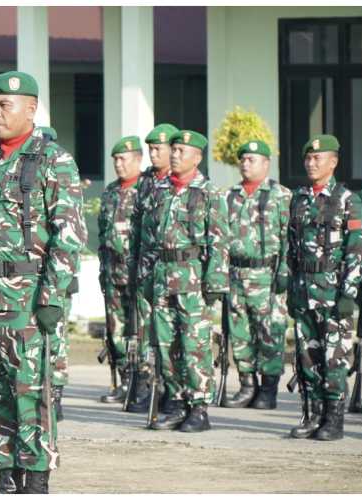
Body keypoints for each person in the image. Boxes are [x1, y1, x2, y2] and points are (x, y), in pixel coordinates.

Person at [0, 70, 88, 493]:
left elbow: (69, 235)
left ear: (31, 108)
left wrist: (51, 297)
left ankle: (35, 475)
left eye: (4, 105)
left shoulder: (53, 160)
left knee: (31, 391)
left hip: (28, 299)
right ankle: (4, 472)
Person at [144, 130, 229, 433]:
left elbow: (219, 242)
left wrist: (215, 283)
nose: (175, 154)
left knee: (195, 345)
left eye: (182, 150)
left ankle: (199, 407)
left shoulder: (209, 193)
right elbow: (148, 238)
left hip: (193, 279)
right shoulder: (160, 191)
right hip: (162, 277)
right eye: (174, 149)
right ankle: (178, 402)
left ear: (197, 157)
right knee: (166, 345)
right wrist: (145, 276)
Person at [287, 134, 362, 441]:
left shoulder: (348, 200)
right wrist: (291, 287)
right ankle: (313, 415)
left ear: (333, 162)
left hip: (334, 294)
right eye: (307, 158)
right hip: (305, 291)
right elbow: (291, 248)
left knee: (334, 358)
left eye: (317, 158)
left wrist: (349, 292)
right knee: (307, 357)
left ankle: (334, 420)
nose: (311, 163)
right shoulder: (299, 198)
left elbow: (356, 249)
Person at [222, 140, 292, 409]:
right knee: (240, 333)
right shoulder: (230, 196)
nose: (245, 163)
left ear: (266, 164)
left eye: (252, 159)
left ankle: (268, 389)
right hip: (237, 274)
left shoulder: (280, 195)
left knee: (270, 333)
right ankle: (246, 385)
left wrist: (285, 270)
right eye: (243, 159)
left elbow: (289, 237)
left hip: (267, 275)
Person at [127, 123, 180, 413]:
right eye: (151, 149)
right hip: (147, 270)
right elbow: (137, 224)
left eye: (159, 148)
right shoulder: (146, 180)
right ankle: (150, 386)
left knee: (170, 335)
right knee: (146, 333)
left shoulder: (180, 180)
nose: (154, 153)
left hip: (173, 272)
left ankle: (173, 391)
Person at [97, 136, 143, 404]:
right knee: (116, 329)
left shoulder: (146, 189)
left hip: (136, 272)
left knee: (139, 330)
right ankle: (124, 380)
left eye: (123, 159)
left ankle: (141, 381)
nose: (118, 164)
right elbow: (103, 235)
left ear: (137, 160)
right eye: (115, 159)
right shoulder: (111, 192)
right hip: (113, 271)